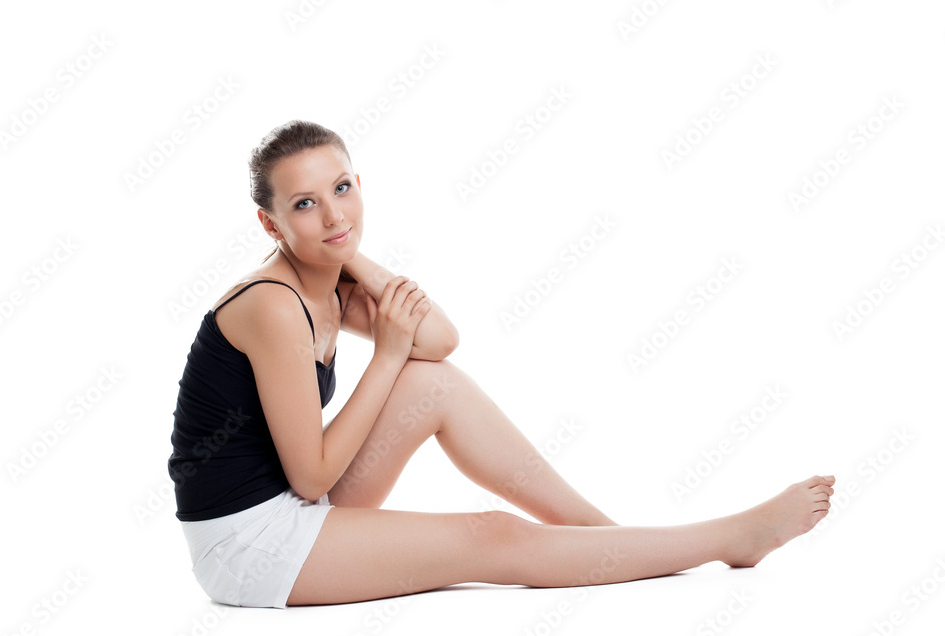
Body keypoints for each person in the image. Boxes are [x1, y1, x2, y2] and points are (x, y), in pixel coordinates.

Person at [167, 119, 835, 608]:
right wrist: (386, 350)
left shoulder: (331, 283)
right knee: (494, 536)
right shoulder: (274, 307)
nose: (333, 213)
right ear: (270, 223)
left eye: (342, 188)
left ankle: (609, 540)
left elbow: (440, 338)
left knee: (433, 384)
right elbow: (312, 476)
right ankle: (727, 538)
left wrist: (345, 250)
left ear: (360, 183)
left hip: (294, 508)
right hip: (249, 545)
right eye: (305, 205)